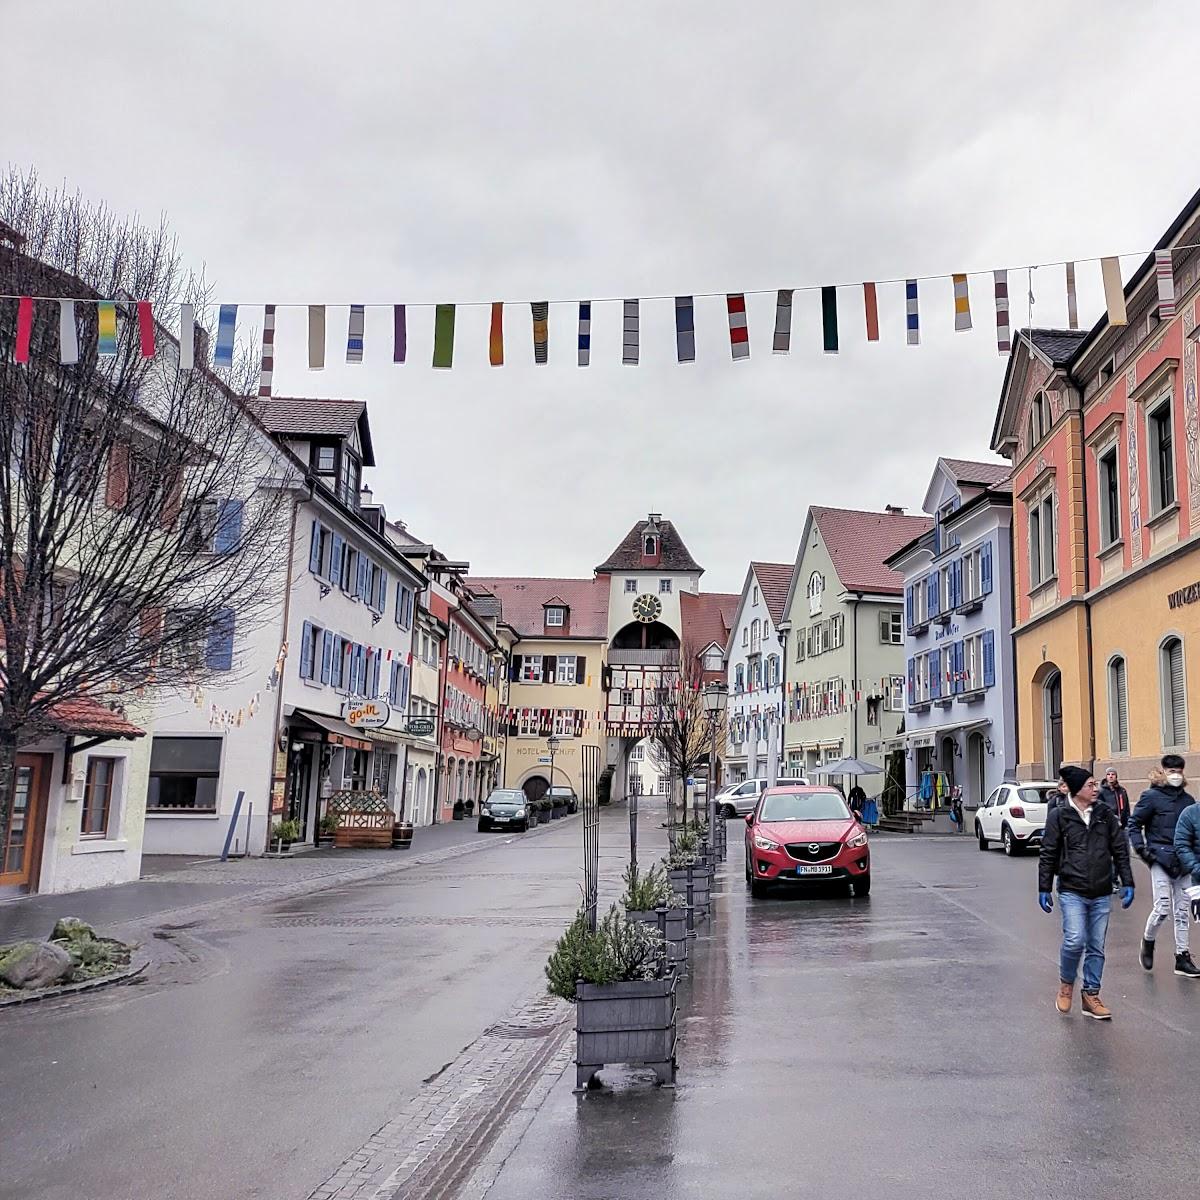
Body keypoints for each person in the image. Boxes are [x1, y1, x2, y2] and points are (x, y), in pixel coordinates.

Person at [1038, 765, 1134, 1019]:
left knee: (1096, 946)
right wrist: (1044, 887)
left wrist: (1127, 881)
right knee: (1074, 939)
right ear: (1076, 789)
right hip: (1072, 889)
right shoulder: (1059, 816)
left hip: (1101, 890)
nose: (1096, 788)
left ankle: (1091, 995)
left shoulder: (1104, 813)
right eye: (1090, 785)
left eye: (1095, 784)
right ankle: (1066, 985)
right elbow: (1048, 852)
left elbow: (1120, 848)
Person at [1129, 755, 1200, 978]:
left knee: (1182, 910)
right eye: (1171, 771)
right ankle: (1148, 941)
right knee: (1162, 907)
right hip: (1159, 858)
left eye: (1179, 771)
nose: (1175, 775)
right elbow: (1134, 824)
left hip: (1183, 862)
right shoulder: (1151, 797)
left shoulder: (1188, 800)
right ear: (1164, 772)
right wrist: (1142, 851)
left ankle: (1182, 957)